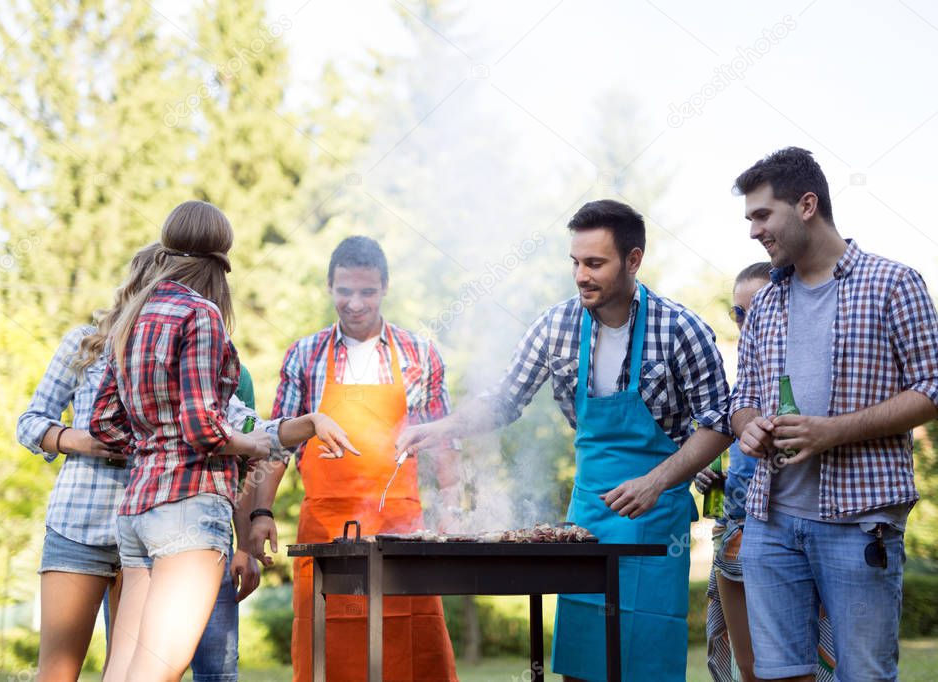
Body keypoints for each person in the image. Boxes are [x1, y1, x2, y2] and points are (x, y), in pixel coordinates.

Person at [398, 200, 733, 681]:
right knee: (583, 665)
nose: (581, 275)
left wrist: (656, 482)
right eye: (575, 262)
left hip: (657, 520)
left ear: (633, 260)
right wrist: (441, 428)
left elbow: (719, 422)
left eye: (595, 263)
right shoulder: (555, 327)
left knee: (646, 664)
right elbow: (504, 400)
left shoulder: (680, 329)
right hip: (589, 521)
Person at [90, 201, 356, 682]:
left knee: (125, 673)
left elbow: (104, 423)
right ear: (221, 261)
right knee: (154, 673)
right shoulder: (201, 314)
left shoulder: (132, 317)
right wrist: (254, 447)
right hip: (188, 511)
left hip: (135, 513)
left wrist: (157, 441)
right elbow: (204, 429)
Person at [730, 147, 938, 682]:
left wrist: (832, 432)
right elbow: (743, 399)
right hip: (769, 521)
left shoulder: (894, 284)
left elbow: (932, 389)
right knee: (777, 675)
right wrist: (748, 425)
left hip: (858, 523)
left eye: (761, 215)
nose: (754, 231)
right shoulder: (766, 304)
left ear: (806, 204)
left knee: (864, 675)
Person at [18, 242, 271, 682]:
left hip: (146, 523)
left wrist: (292, 428)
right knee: (56, 674)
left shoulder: (180, 348)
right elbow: (30, 422)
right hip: (80, 524)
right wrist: (81, 440)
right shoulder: (86, 344)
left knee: (135, 667)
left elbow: (227, 421)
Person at [255, 235, 460, 682]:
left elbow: (444, 440)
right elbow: (277, 445)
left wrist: (453, 506)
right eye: (344, 290)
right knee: (327, 652)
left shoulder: (418, 355)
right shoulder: (305, 355)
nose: (355, 303)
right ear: (329, 286)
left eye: (366, 291)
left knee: (413, 649)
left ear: (385, 287)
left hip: (403, 535)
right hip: (326, 536)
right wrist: (261, 511)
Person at [696, 262, 836, 682]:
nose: (747, 321)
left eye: (755, 308)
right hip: (734, 535)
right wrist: (713, 477)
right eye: (739, 313)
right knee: (751, 668)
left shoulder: (810, 369)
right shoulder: (738, 377)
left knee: (807, 665)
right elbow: (728, 448)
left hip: (795, 531)